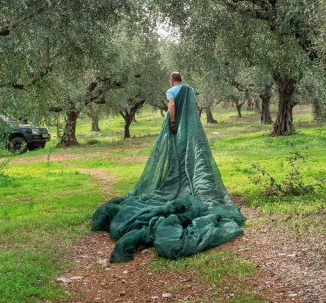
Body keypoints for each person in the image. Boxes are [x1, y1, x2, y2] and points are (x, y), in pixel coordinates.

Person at [91, 70, 245, 263]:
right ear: (182, 79)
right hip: (193, 131)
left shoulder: (172, 91)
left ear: (172, 80)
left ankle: (179, 181)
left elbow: (172, 106)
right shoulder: (190, 90)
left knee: (177, 157)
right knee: (192, 158)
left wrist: (172, 123)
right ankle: (191, 182)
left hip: (178, 130)